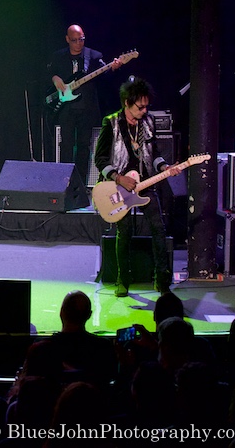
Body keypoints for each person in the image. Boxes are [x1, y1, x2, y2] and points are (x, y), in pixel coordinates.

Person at [93, 77, 178, 298]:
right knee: (125, 231)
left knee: (158, 229)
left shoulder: (148, 122)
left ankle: (162, 280)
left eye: (146, 106)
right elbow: (100, 159)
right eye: (140, 106)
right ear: (126, 103)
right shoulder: (110, 123)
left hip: (145, 183)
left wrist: (166, 167)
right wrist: (118, 178)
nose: (144, 110)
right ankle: (123, 280)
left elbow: (155, 154)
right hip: (119, 186)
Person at [47, 24, 121, 185]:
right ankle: (64, 182)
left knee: (83, 147)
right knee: (65, 146)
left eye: (81, 39)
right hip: (66, 109)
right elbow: (48, 72)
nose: (78, 43)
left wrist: (113, 67)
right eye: (74, 40)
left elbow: (104, 72)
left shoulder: (93, 56)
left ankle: (79, 184)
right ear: (67, 39)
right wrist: (55, 78)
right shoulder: (58, 56)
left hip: (86, 108)